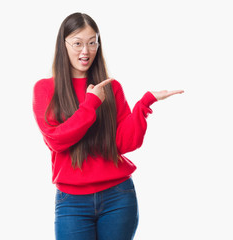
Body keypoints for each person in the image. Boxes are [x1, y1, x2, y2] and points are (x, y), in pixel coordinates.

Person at [32, 12, 183, 240]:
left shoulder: (111, 88)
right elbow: (56, 140)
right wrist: (90, 103)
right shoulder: (44, 89)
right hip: (71, 202)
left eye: (92, 42)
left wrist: (144, 104)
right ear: (63, 45)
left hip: (118, 197)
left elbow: (124, 143)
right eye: (78, 43)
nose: (86, 51)